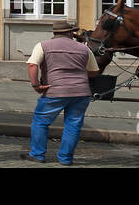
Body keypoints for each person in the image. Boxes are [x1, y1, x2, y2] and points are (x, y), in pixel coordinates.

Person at [22, 19, 99, 165]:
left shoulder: (43, 46)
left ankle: (37, 155)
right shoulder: (84, 48)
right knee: (73, 125)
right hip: (81, 93)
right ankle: (65, 158)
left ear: (54, 33)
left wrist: (36, 85)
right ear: (71, 33)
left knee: (40, 122)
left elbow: (32, 65)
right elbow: (94, 71)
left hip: (54, 91)